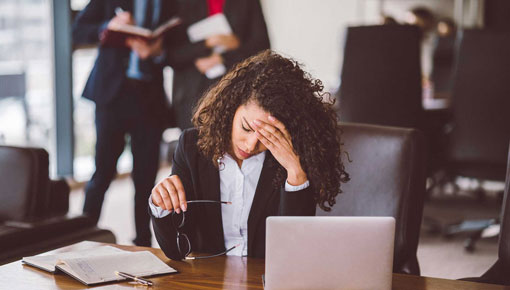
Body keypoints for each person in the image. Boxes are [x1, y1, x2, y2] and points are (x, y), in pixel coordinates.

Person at [148, 50, 350, 260]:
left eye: (267, 135)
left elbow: (293, 254)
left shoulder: (292, 157)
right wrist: (161, 205)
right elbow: (176, 251)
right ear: (231, 107)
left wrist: (295, 173)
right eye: (246, 127)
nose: (252, 144)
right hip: (210, 278)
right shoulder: (192, 147)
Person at [72, 0, 178, 246]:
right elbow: (78, 30)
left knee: (146, 177)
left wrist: (158, 51)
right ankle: (83, 235)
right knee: (103, 170)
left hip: (148, 99)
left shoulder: (169, 3)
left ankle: (143, 242)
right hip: (112, 95)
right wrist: (108, 25)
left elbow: (176, 45)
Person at [131, 0, 270, 130]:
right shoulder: (178, 3)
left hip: (238, 92)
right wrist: (206, 43)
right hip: (192, 97)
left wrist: (223, 57)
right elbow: (170, 54)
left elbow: (262, 48)